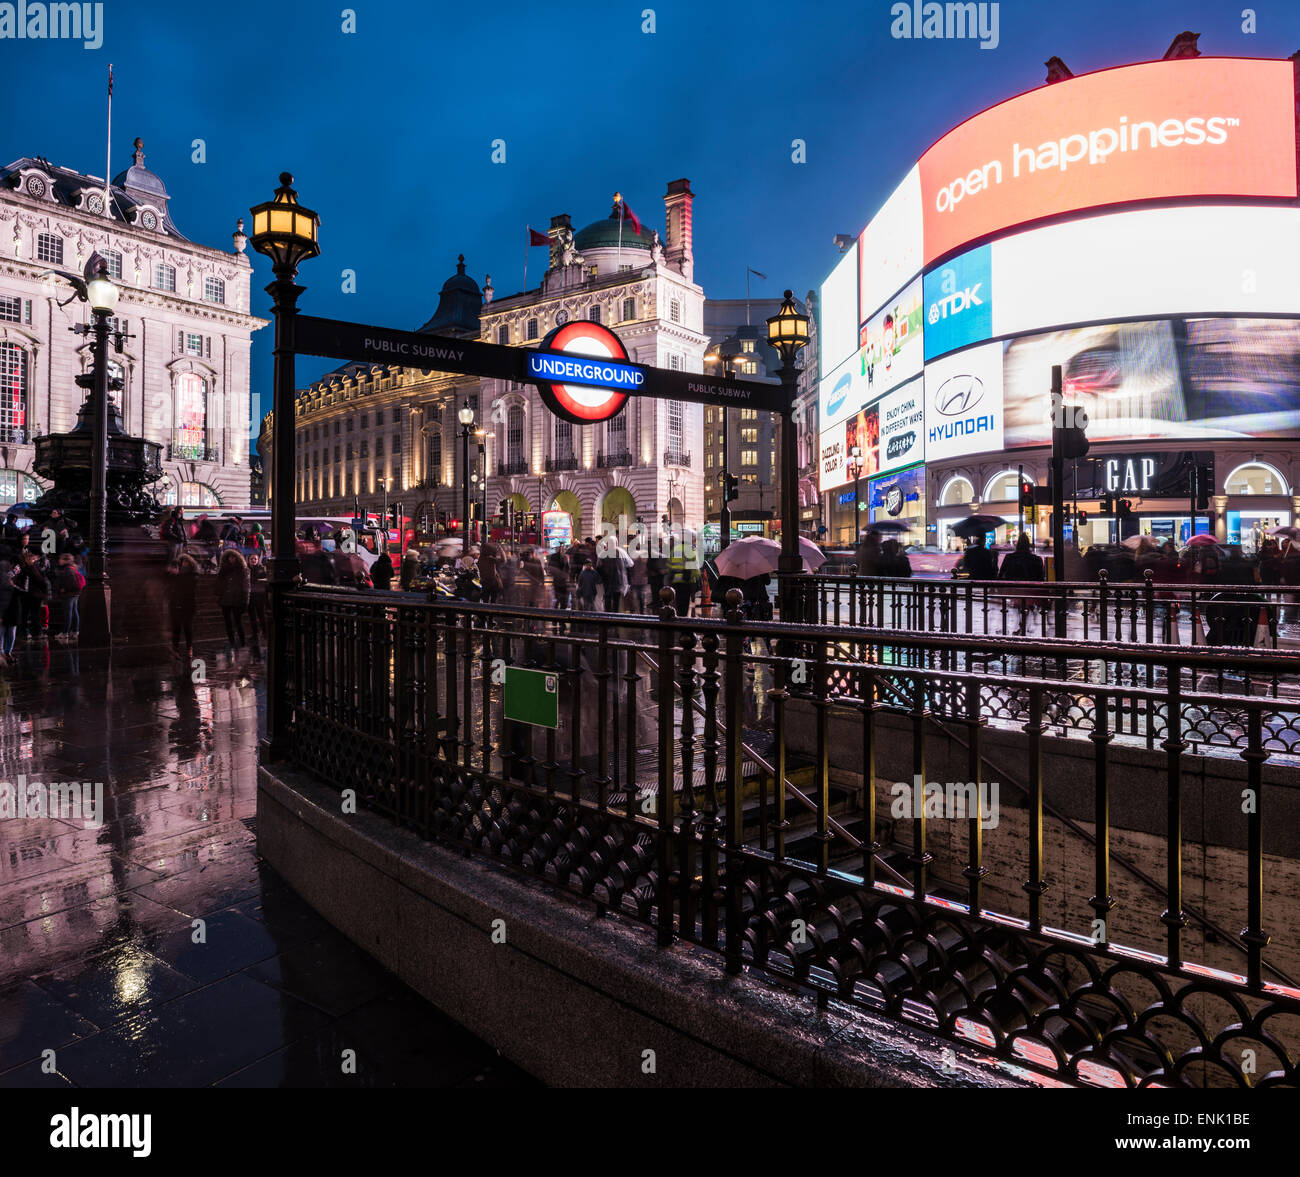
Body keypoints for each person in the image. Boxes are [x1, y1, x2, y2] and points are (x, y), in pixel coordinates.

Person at [216, 548, 251, 653]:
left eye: (233, 557)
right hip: (226, 599)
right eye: (229, 557)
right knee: (228, 623)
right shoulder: (224, 569)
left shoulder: (242, 569)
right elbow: (219, 584)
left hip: (237, 599)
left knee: (238, 622)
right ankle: (231, 641)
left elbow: (246, 586)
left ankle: (242, 642)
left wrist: (245, 601)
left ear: (237, 558)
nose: (231, 559)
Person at [168, 555, 199, 660]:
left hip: (188, 605)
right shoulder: (175, 575)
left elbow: (189, 586)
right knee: (176, 628)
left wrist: (177, 576)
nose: (184, 564)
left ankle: (189, 648)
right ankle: (175, 648)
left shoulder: (193, 575)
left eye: (186, 562)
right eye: (182, 562)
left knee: (187, 628)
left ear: (190, 563)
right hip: (175, 604)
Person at [51, 552, 85, 643]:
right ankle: (75, 631)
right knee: (74, 612)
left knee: (68, 613)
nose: (59, 561)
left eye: (61, 559)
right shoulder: (73, 568)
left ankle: (65, 632)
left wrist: (64, 589)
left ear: (66, 560)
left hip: (69, 594)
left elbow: (70, 583)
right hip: (75, 593)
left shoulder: (67, 570)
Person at [246, 551, 268, 653]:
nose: (253, 561)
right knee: (252, 616)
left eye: (255, 559)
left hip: (259, 596)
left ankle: (265, 632)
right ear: (248, 560)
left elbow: (266, 581)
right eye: (252, 559)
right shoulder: (246, 570)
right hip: (250, 596)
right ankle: (255, 634)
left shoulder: (261, 569)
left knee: (261, 615)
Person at [598, 547, 628, 613]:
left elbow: (599, 567)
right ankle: (615, 615)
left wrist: (603, 577)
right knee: (615, 601)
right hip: (617, 583)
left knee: (608, 600)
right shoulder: (620, 555)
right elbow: (626, 567)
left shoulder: (604, 554)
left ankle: (609, 616)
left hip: (608, 582)